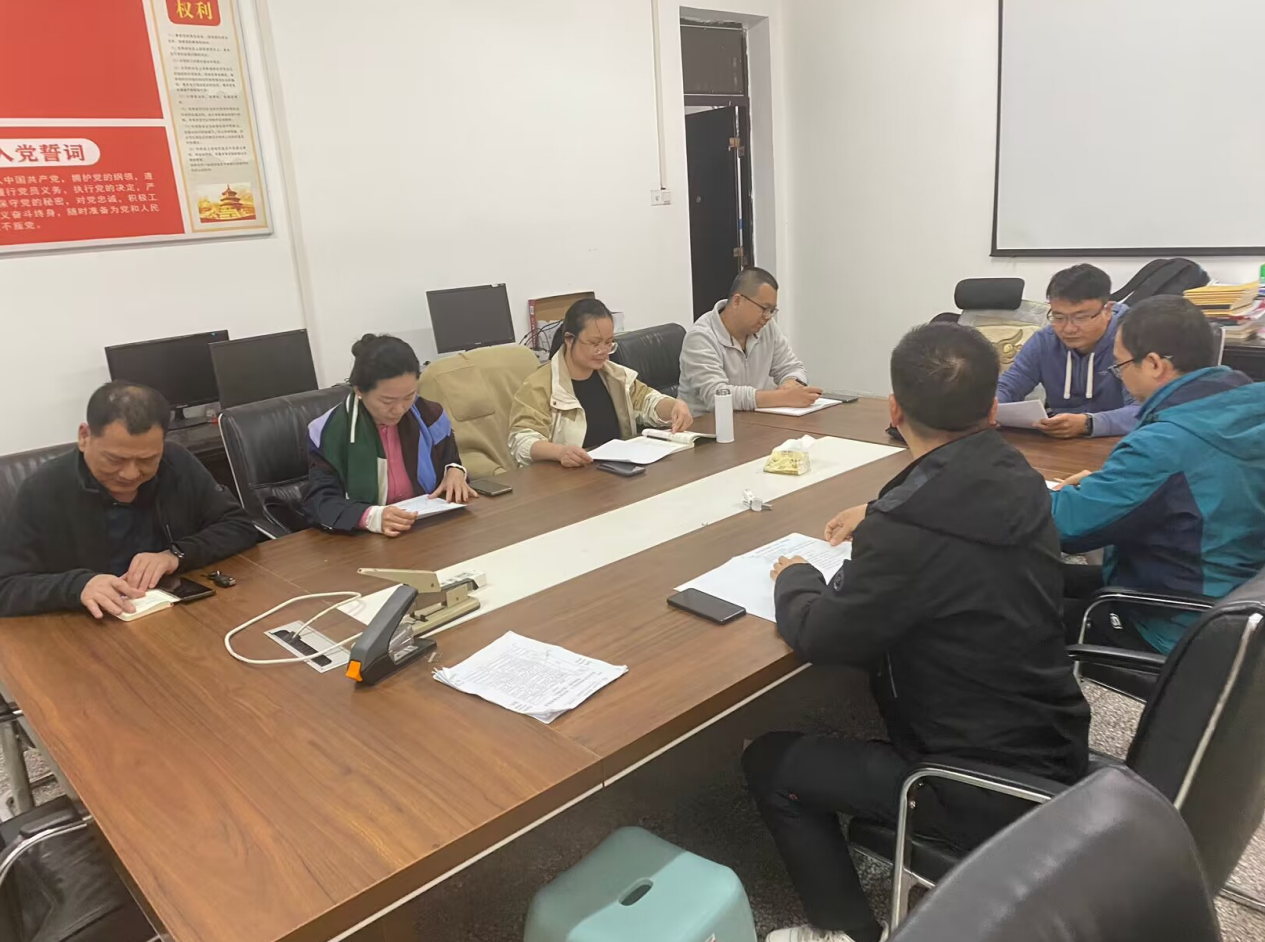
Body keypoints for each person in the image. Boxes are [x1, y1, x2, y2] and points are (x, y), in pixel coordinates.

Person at [745, 324, 1089, 942]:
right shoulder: (1018, 474)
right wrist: (881, 513)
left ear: (894, 410)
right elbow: (948, 511)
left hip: (974, 783)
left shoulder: (908, 533)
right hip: (1055, 739)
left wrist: (795, 576)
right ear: (993, 409)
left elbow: (821, 635)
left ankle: (845, 932)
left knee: (769, 761)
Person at [1052, 295, 1265, 655]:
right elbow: (1200, 480)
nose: (1120, 376)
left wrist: (1019, 489)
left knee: (1014, 610)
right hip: (1233, 600)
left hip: (1173, 624)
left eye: (1120, 365)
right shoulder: (1248, 404)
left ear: (1153, 364)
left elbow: (1068, 528)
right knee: (1043, 577)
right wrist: (1111, 482)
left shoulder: (1165, 443)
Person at [0, 382, 257, 619]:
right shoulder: (44, 489)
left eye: (147, 460)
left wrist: (175, 555)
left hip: (174, 616)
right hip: (89, 629)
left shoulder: (176, 463)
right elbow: (6, 586)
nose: (130, 474)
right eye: (115, 459)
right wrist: (77, 586)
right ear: (84, 436)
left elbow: (239, 526)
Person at [305, 334, 474, 537]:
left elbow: (450, 461)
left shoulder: (430, 416)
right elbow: (320, 502)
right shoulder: (328, 433)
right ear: (359, 390)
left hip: (427, 530)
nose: (400, 409)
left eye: (409, 396)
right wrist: (370, 516)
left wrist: (455, 471)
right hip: (363, 540)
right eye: (387, 401)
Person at [508, 298, 693, 467]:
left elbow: (646, 401)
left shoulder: (615, 376)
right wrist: (559, 452)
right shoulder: (539, 385)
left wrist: (674, 406)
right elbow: (522, 441)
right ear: (569, 339)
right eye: (595, 343)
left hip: (615, 472)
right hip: (565, 479)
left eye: (608, 342)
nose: (603, 351)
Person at [996, 263, 1138, 438]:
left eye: (1080, 317)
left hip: (1120, 441)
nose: (1068, 329)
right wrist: (992, 408)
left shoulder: (1132, 340)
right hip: (1058, 441)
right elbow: (1009, 386)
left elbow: (1145, 411)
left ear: (1107, 311)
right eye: (1059, 317)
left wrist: (1088, 423)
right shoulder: (1045, 341)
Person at [678, 267, 822, 415]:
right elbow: (717, 396)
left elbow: (793, 367)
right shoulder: (701, 337)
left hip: (754, 421)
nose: (767, 317)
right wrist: (782, 397)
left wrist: (790, 383)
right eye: (764, 308)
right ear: (737, 301)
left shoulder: (767, 328)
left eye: (772, 311)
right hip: (708, 425)